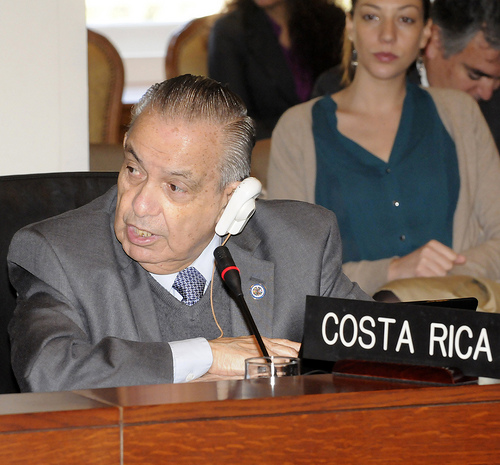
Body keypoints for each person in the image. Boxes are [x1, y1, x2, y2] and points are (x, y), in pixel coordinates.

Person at [7, 74, 369, 392]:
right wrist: (206, 356)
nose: (139, 205)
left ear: (230, 199)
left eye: (174, 187)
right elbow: (49, 374)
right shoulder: (59, 254)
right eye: (133, 169)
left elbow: (384, 357)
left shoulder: (299, 245)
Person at [267, 0, 500, 300]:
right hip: (346, 323)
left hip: (457, 320)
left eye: (405, 19)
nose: (387, 35)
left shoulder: (461, 113)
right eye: (371, 16)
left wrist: (439, 277)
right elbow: (291, 267)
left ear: (426, 33)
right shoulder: (297, 129)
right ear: (351, 26)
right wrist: (391, 272)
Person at [312, 0, 500, 151]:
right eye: (474, 75)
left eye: (498, 79)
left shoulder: (493, 110)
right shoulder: (337, 92)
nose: (487, 93)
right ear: (434, 40)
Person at [208, 0, 345, 141]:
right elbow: (233, 122)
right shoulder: (229, 32)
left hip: (336, 139)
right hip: (271, 146)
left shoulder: (332, 20)